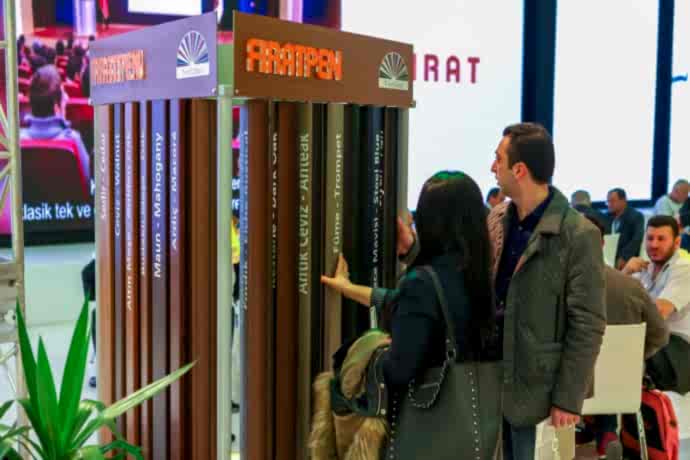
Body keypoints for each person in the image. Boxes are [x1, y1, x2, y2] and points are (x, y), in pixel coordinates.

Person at [322, 171, 501, 457]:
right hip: (474, 433)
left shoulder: (421, 284)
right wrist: (350, 288)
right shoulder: (479, 276)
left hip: (424, 434)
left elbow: (400, 369)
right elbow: (416, 302)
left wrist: (370, 354)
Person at [488, 123, 606, 459]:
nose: (492, 167)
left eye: (498, 159)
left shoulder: (578, 235)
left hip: (538, 393)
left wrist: (568, 397)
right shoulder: (498, 220)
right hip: (491, 380)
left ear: (519, 170)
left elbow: (588, 323)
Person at [579, 215, 669, 458]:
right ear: (602, 244)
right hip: (621, 387)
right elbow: (660, 335)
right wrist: (633, 355)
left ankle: (586, 431)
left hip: (571, 392)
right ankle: (606, 433)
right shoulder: (631, 286)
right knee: (605, 366)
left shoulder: (555, 288)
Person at [622, 216, 690, 395]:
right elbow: (615, 299)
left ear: (677, 242)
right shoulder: (644, 268)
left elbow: (660, 312)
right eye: (650, 238)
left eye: (661, 239)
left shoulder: (684, 269)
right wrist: (625, 273)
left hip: (677, 349)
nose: (654, 244)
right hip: (651, 341)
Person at [20, 65, 91, 180]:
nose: (66, 98)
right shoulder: (73, 140)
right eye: (63, 94)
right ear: (56, 106)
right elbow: (87, 182)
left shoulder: (16, 140)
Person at [607, 188, 645, 270]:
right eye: (608, 201)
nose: (609, 204)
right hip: (609, 257)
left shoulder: (636, 216)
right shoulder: (607, 216)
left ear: (623, 201)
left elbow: (636, 240)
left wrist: (624, 257)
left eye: (612, 201)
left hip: (627, 259)